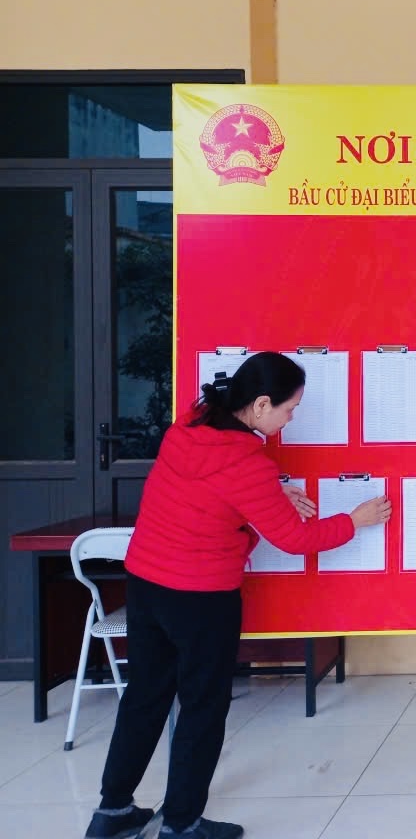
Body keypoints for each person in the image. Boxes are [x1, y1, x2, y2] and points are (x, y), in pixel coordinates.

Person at [84, 352, 391, 839]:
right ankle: (182, 824)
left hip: (145, 583)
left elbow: (209, 500)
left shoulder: (188, 427)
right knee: (202, 708)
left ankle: (113, 813)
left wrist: (267, 497)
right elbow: (295, 539)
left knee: (144, 697)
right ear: (262, 404)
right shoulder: (247, 462)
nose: (290, 419)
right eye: (289, 409)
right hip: (200, 597)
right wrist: (355, 521)